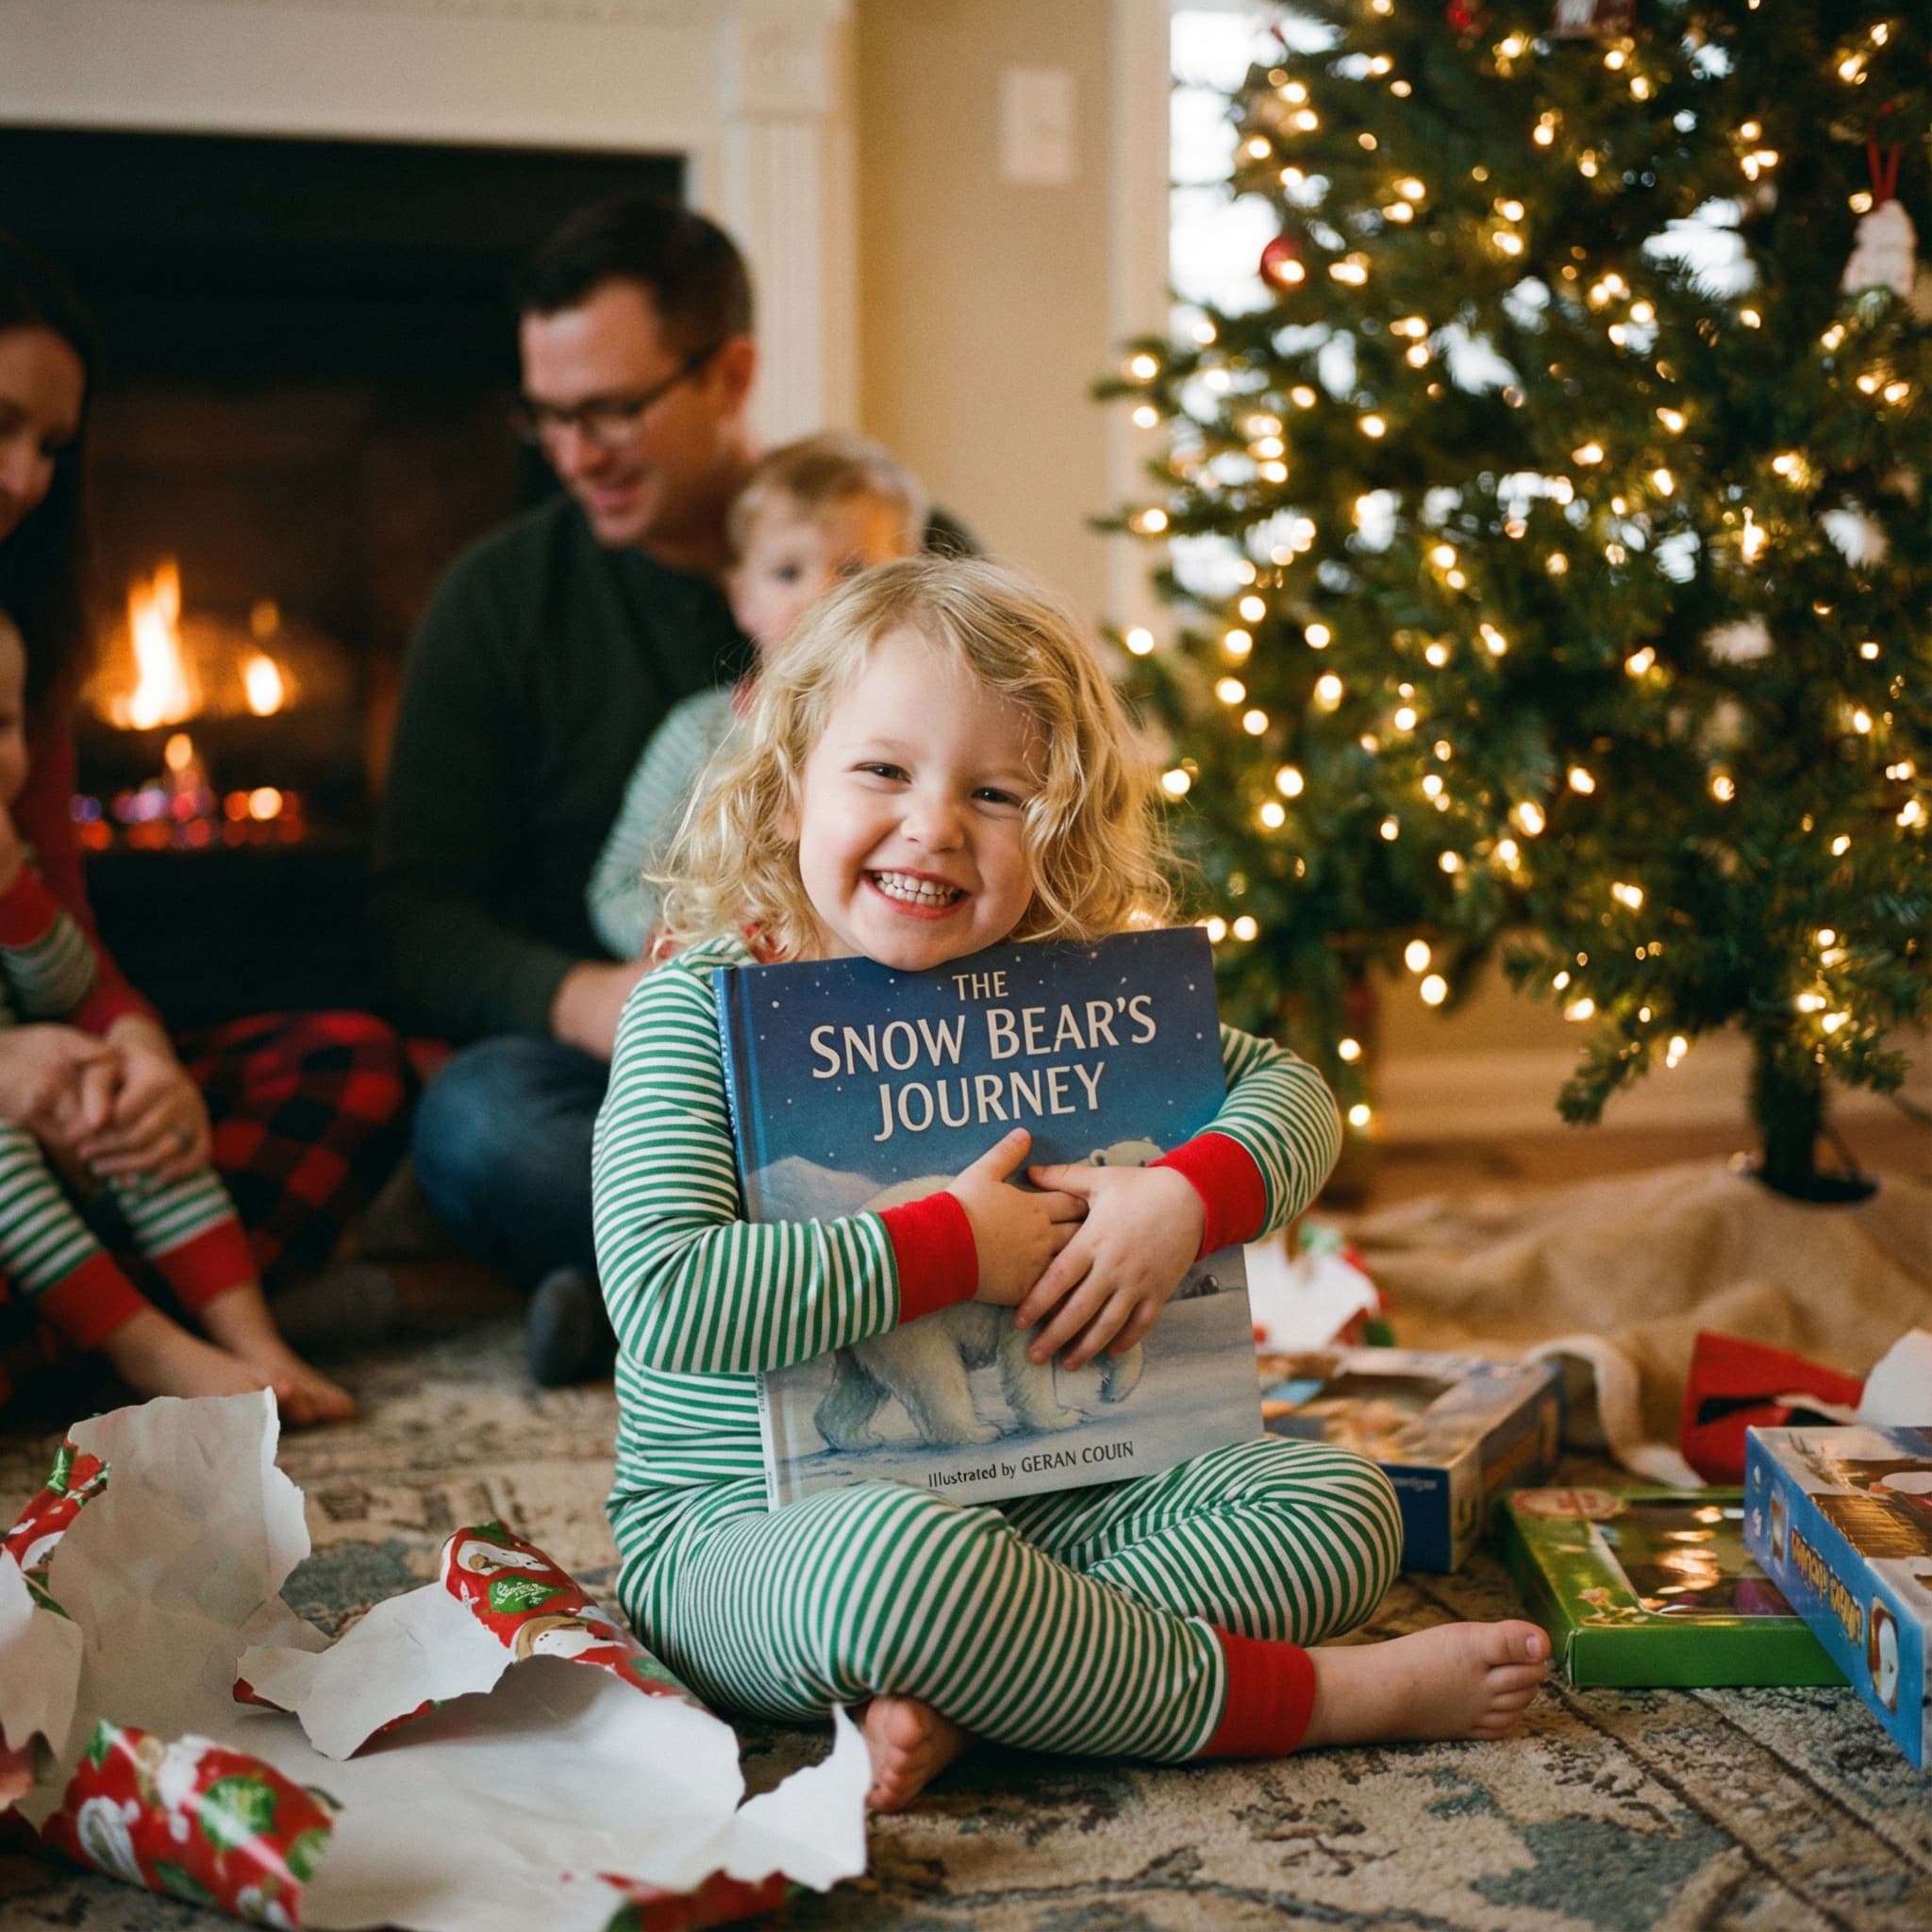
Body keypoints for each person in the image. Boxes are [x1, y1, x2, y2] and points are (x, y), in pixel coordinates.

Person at [591, 557, 1548, 1814]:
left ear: (1060, 835)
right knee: (902, 1577)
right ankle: (1309, 1698)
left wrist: (1184, 1200)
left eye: (997, 793)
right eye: (884, 770)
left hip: (1073, 1501)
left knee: (1342, 1509)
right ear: (785, 792)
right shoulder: (689, 1010)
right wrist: (952, 1250)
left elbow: (1292, 1097)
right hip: (746, 1531)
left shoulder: (1067, 994)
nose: (934, 824)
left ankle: (996, 1688)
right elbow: (664, 1294)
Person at [375, 195, 963, 1385]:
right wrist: (595, 996)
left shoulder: (899, 551)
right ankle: (805, 1276)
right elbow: (414, 912)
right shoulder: (501, 601)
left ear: (729, 372)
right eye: (547, 416)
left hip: (892, 1040)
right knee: (477, 1121)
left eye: (610, 411)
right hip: (635, 1066)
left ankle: (663, 1296)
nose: (574, 453)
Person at [0, 232, 412, 1414]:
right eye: (1, 426)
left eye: (52, 447)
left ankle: (164, 1337)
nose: (28, 478)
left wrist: (137, 1057)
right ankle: (155, 1346)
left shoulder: (18, 663)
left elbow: (65, 944)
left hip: (60, 1118)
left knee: (348, 1065)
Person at [0, 611, 352, 1420]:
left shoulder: (15, 842)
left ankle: (252, 1339)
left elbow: (68, 986)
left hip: (70, 1130)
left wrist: (15, 892)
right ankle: (148, 1349)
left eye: (3, 725)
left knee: (134, 1102)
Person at [586, 431, 926, 958]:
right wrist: (687, 950)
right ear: (742, 597)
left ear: (908, 586)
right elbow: (617, 886)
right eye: (788, 572)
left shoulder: (925, 736)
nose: (822, 596)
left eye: (854, 571)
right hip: (729, 991)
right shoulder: (698, 734)